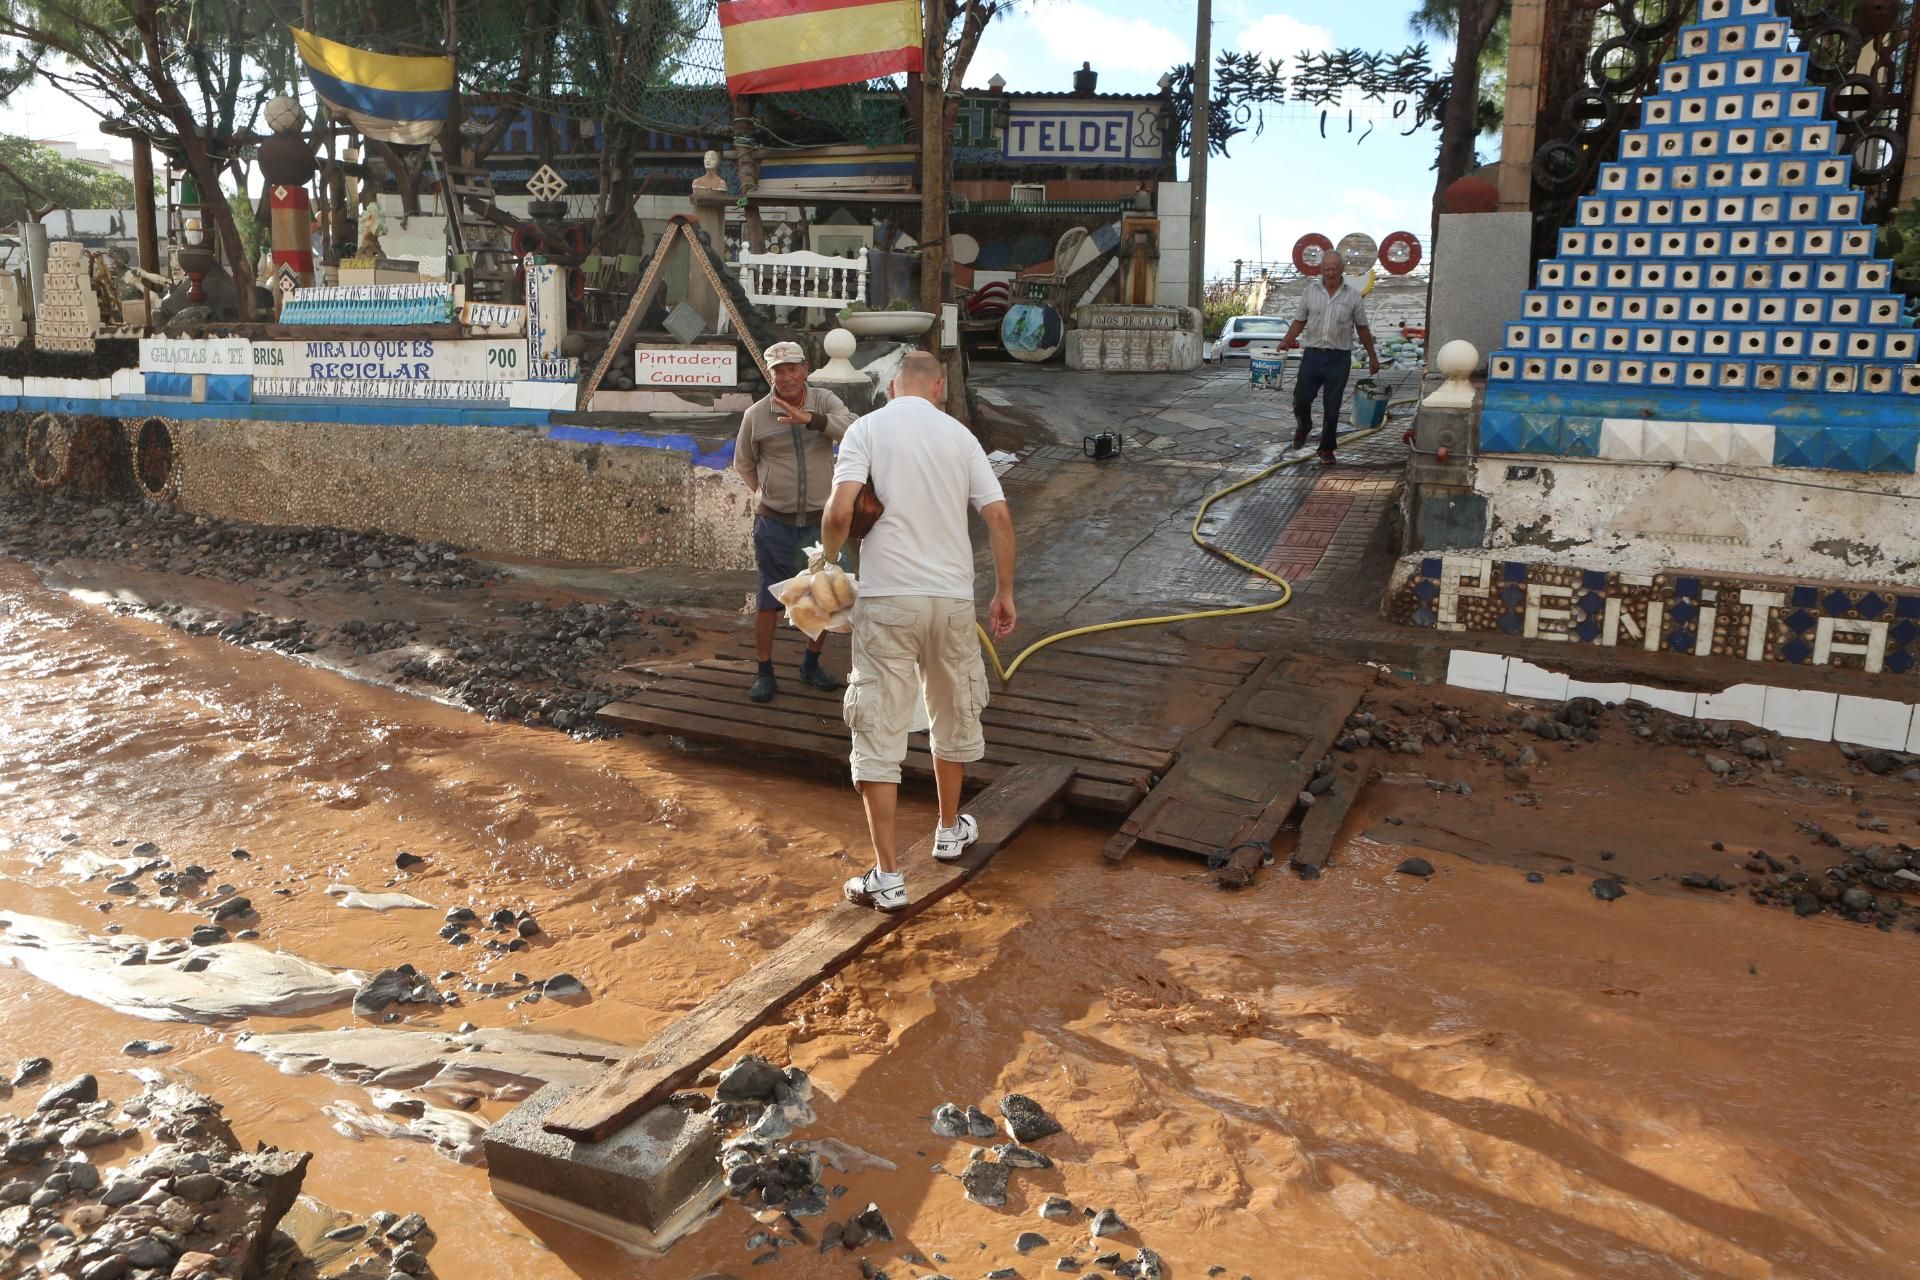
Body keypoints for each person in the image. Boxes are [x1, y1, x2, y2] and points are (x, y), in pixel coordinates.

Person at [821, 352, 1016, 913]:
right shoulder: (959, 435)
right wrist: (1003, 592)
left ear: (888, 385)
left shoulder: (866, 428)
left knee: (879, 725)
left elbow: (838, 513)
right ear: (938, 387)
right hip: (951, 600)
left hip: (887, 600)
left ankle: (887, 875)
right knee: (950, 709)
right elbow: (998, 516)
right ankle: (950, 828)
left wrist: (827, 568)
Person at [733, 340, 858, 702]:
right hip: (774, 523)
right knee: (769, 599)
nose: (786, 376)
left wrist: (812, 421)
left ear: (806, 369)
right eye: (779, 370)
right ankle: (764, 671)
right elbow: (744, 463)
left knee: (823, 594)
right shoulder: (755, 415)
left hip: (820, 522)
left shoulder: (825, 401)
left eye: (792, 368)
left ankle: (810, 664)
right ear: (769, 374)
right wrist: (766, 494)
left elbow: (853, 429)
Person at [1281, 253, 1381, 465]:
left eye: (1335, 268)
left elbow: (1362, 328)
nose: (1331, 272)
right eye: (1327, 268)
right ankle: (1304, 426)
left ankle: (1326, 448)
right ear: (1321, 270)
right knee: (1301, 399)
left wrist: (1372, 356)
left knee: (1332, 406)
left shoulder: (1353, 296)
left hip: (1339, 357)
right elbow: (1299, 321)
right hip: (1312, 356)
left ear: (1342, 268)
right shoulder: (1310, 292)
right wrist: (1286, 340)